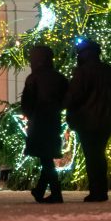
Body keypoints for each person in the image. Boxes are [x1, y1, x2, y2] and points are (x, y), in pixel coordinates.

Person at [67, 39, 111, 203]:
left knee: (92, 156)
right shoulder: (108, 70)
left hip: (87, 119)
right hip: (106, 119)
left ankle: (96, 191)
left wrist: (65, 104)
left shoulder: (82, 72)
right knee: (99, 154)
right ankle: (101, 190)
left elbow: (74, 96)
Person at [22, 45, 69, 203]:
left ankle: (56, 193)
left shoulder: (33, 78)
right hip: (53, 120)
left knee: (46, 159)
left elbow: (26, 102)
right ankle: (40, 190)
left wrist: (31, 114)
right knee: (46, 156)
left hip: (39, 120)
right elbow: (66, 98)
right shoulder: (59, 77)